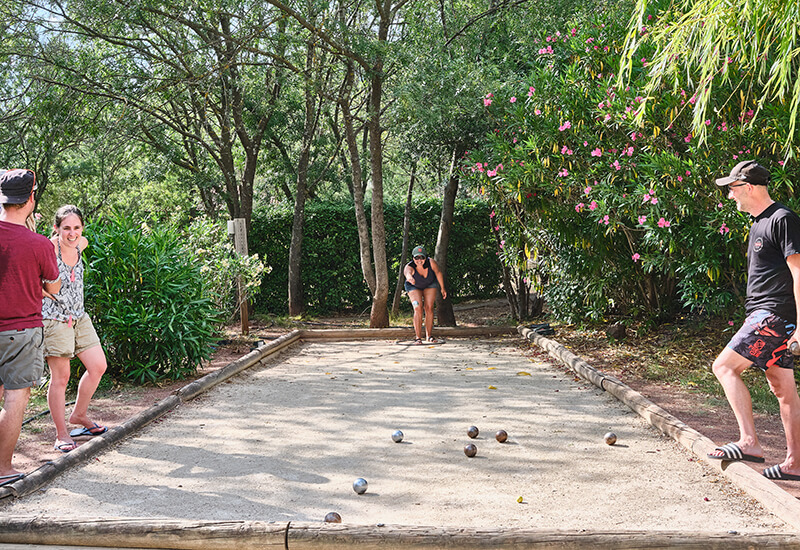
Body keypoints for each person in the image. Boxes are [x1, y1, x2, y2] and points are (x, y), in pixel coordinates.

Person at [708, 160, 800, 482]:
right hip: (766, 314)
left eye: (732, 189)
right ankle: (794, 463)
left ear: (748, 187)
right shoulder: (759, 222)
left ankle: (750, 442)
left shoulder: (782, 219)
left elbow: (798, 272)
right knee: (783, 390)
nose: (730, 196)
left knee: (724, 367)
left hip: (773, 315)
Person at [0, 169, 60, 486]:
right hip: (21, 331)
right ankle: (3, 469)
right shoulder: (38, 244)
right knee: (15, 397)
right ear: (31, 198)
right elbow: (54, 286)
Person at [42, 205, 108, 453]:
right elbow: (31, 280)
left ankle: (79, 416)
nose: (72, 233)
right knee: (61, 378)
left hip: (79, 316)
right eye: (66, 228)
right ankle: (61, 434)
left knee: (98, 366)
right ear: (56, 228)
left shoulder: (81, 244)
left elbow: (82, 243)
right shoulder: (48, 249)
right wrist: (50, 298)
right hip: (55, 319)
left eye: (76, 227)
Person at [403, 245, 447, 344]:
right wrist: (410, 277)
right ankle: (418, 337)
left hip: (430, 284)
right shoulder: (409, 266)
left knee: (429, 307)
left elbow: (438, 273)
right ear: (413, 258)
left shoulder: (431, 262)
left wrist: (443, 288)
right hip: (413, 286)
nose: (419, 260)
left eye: (422, 257)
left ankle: (429, 335)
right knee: (417, 308)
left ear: (426, 257)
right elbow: (407, 273)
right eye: (416, 257)